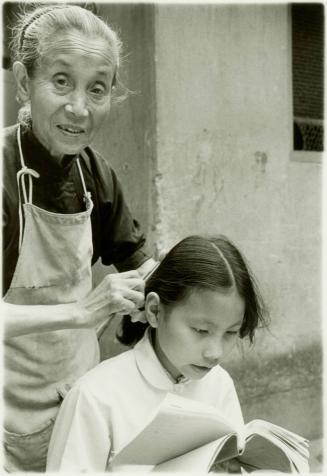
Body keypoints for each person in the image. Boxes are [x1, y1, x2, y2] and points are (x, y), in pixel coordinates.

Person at [2, 3, 156, 472]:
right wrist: (85, 310)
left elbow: (138, 261)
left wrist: (156, 292)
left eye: (97, 88)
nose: (78, 108)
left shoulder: (95, 175)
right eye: (62, 81)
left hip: (77, 400)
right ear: (25, 81)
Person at [46, 235, 267, 472]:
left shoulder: (219, 383)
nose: (216, 352)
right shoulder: (94, 397)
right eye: (201, 330)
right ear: (154, 311)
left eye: (231, 333)